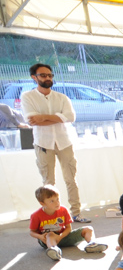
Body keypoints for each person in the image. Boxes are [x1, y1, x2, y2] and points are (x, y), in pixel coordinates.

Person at [21, 63, 89, 222]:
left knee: (71, 179)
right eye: (43, 75)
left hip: (64, 142)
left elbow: (70, 117)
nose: (48, 78)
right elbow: (32, 120)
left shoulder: (61, 97)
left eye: (50, 75)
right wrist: (58, 118)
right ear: (34, 77)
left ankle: (76, 213)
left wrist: (43, 117)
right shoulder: (28, 97)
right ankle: (52, 216)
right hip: (43, 143)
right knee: (48, 182)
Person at [29, 185, 106, 261]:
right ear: (42, 203)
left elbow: (68, 228)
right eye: (52, 201)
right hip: (47, 240)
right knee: (50, 234)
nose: (57, 203)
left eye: (57, 199)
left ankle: (92, 244)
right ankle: (53, 250)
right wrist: (40, 237)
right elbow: (32, 232)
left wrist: (60, 237)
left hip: (63, 236)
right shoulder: (36, 215)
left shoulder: (63, 210)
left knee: (88, 229)